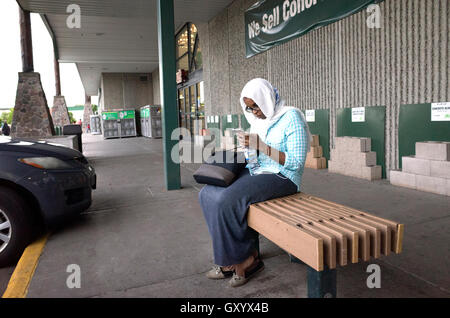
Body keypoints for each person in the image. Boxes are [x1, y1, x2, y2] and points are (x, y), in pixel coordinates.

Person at [199, 78, 311, 287]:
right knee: (206, 194)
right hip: (257, 170)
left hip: (283, 176)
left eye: (257, 106)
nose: (255, 112)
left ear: (267, 99)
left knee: (227, 200)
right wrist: (247, 148)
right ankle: (229, 258)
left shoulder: (291, 117)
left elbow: (295, 163)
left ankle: (245, 259)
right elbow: (255, 156)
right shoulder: (258, 121)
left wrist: (261, 146)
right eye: (249, 108)